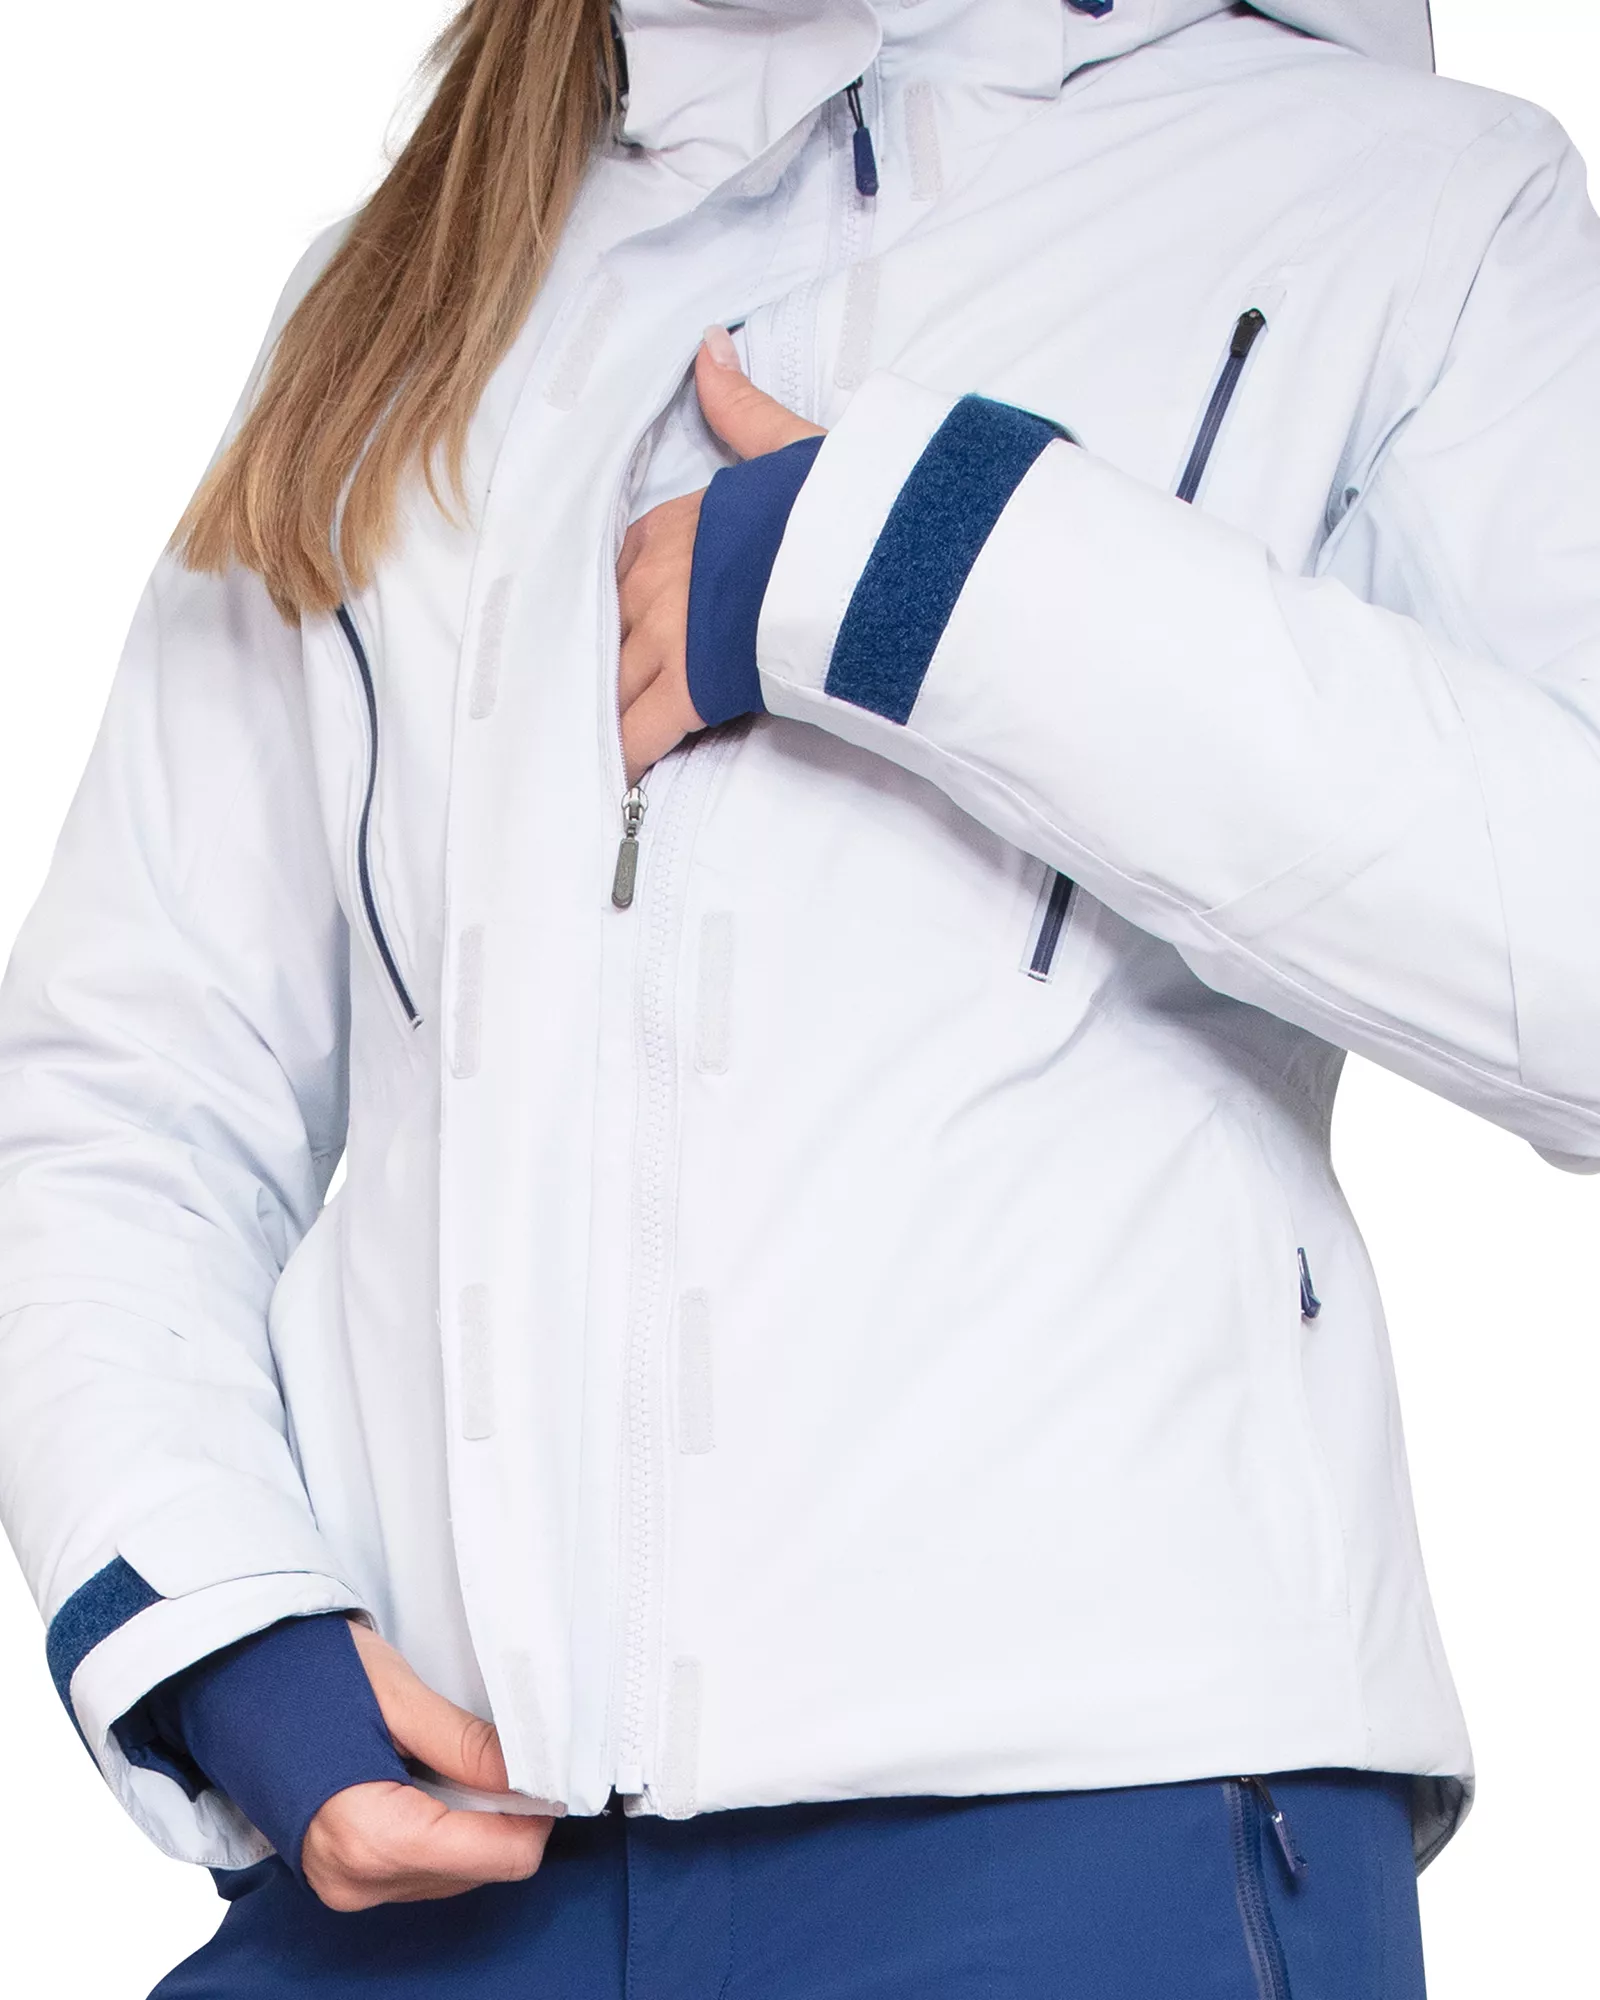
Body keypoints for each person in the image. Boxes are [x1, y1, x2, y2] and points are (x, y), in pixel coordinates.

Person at [3, 0, 1597, 1992]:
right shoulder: (406, 290)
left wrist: (938, 575)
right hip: (433, 1856)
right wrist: (216, 1622)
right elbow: (125, 1085)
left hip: (1090, 1839)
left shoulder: (1398, 200)